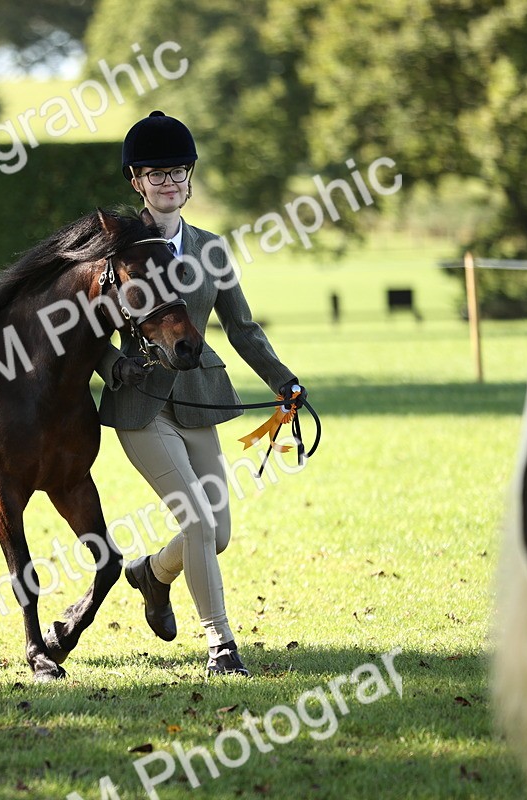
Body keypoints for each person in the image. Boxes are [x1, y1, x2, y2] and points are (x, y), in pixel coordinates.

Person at [96, 110, 304, 677]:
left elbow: (241, 328)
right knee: (197, 520)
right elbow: (83, 328)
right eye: (155, 173)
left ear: (189, 180)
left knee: (218, 534)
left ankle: (150, 574)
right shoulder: (114, 245)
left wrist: (282, 380)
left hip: (198, 397)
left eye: (178, 173)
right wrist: (117, 366)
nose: (168, 183)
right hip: (141, 404)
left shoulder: (211, 249)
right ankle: (221, 646)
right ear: (136, 180)